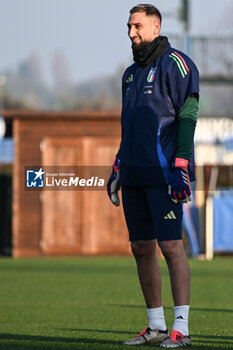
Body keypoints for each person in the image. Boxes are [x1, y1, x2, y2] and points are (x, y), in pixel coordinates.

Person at [107, 3, 199, 348]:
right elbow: (129, 127)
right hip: (134, 173)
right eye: (129, 27)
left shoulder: (177, 64)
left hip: (165, 173)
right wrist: (118, 164)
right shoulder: (129, 75)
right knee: (140, 246)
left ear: (156, 27)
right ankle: (156, 326)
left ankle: (181, 329)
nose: (132, 33)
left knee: (171, 246)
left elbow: (188, 116)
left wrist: (182, 165)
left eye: (138, 26)